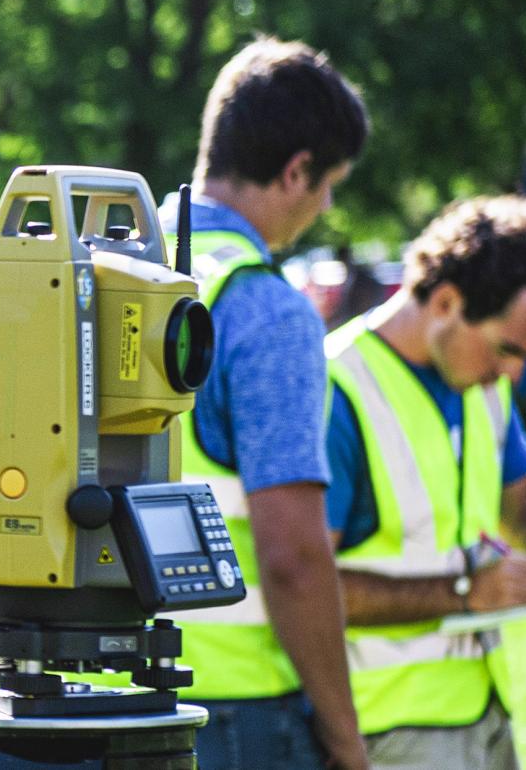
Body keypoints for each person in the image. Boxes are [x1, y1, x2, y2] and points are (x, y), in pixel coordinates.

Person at [323, 196, 526, 769]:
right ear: (445, 301)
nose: (514, 374)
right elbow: (307, 585)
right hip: (385, 732)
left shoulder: (481, 383)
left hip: (483, 712)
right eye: (507, 349)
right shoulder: (336, 391)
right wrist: (466, 593)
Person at [156, 37, 373, 770]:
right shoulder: (265, 309)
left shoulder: (100, 262)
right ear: (295, 169)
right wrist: (346, 742)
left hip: (81, 695)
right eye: (327, 183)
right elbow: (294, 559)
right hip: (231, 718)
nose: (325, 205)